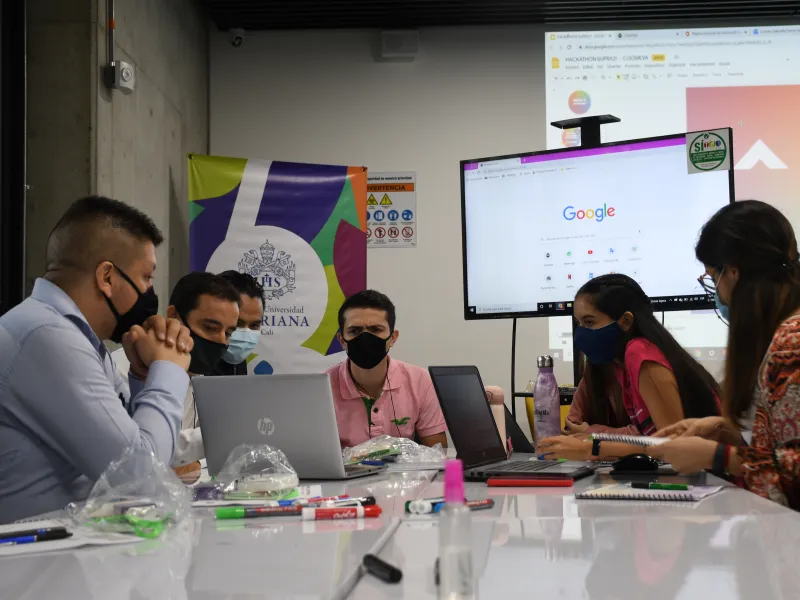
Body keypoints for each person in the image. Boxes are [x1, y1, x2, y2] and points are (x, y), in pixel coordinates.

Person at [0, 196, 193, 523]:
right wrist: (170, 367)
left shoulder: (77, 338)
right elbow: (141, 478)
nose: (150, 291)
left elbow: (137, 443)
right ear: (107, 277)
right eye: (146, 277)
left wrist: (144, 376)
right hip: (32, 551)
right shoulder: (46, 336)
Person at [650, 201, 800, 510]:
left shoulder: (792, 342)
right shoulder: (783, 334)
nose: (718, 293)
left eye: (712, 277)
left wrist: (717, 456)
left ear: (733, 271)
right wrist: (723, 428)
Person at [537, 274, 720, 461]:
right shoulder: (618, 363)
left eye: (589, 322)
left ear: (625, 321)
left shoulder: (639, 352)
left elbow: (673, 446)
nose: (581, 333)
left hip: (714, 471)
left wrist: (592, 447)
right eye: (579, 324)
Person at [326, 290, 448, 448]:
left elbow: (437, 453)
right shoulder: (322, 388)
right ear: (342, 340)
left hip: (403, 466)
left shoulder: (420, 380)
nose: (365, 338)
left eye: (376, 329)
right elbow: (313, 456)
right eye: (355, 331)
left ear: (393, 338)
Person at [166, 272, 240, 469]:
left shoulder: (197, 377)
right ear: (173, 317)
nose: (221, 341)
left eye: (228, 333)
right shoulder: (125, 373)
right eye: (210, 328)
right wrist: (231, 433)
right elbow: (149, 449)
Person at [215, 270, 264, 376]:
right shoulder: (190, 366)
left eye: (254, 325)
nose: (245, 334)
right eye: (237, 323)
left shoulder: (238, 363)